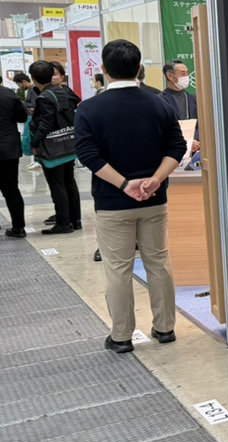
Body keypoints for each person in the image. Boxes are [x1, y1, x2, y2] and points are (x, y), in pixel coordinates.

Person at [74, 39, 187, 354]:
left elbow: (88, 155)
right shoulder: (160, 104)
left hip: (112, 204)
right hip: (154, 200)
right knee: (158, 263)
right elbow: (177, 147)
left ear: (104, 70)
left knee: (118, 268)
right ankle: (165, 329)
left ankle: (122, 336)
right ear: (139, 69)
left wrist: (124, 185)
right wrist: (155, 179)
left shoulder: (89, 109)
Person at [27, 60, 82, 234]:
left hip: (53, 147)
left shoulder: (44, 98)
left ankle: (63, 223)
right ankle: (75, 219)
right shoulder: (65, 91)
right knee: (69, 182)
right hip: (69, 142)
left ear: (33, 78)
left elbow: (46, 124)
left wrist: (34, 142)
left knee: (57, 184)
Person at [0, 82, 28, 237]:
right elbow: (22, 117)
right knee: (11, 189)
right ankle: (18, 227)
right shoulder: (10, 94)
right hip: (8, 148)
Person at [159, 59, 201, 154]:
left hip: (196, 150)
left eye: (187, 73)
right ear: (170, 76)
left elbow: (201, 125)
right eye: (182, 73)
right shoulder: (160, 101)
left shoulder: (194, 99)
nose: (187, 76)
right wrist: (188, 143)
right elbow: (163, 130)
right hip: (173, 151)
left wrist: (196, 142)